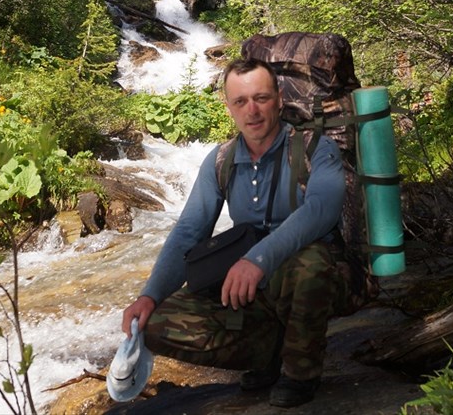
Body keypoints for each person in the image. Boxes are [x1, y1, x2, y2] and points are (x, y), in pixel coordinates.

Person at [120, 58, 352, 408]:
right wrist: (149, 296)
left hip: (317, 278)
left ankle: (300, 372)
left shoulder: (315, 148)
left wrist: (257, 260)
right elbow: (188, 232)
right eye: (240, 101)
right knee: (155, 325)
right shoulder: (220, 160)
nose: (252, 110)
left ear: (278, 99)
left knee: (309, 264)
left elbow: (321, 209)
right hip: (254, 291)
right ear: (228, 107)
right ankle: (268, 353)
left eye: (261, 98)